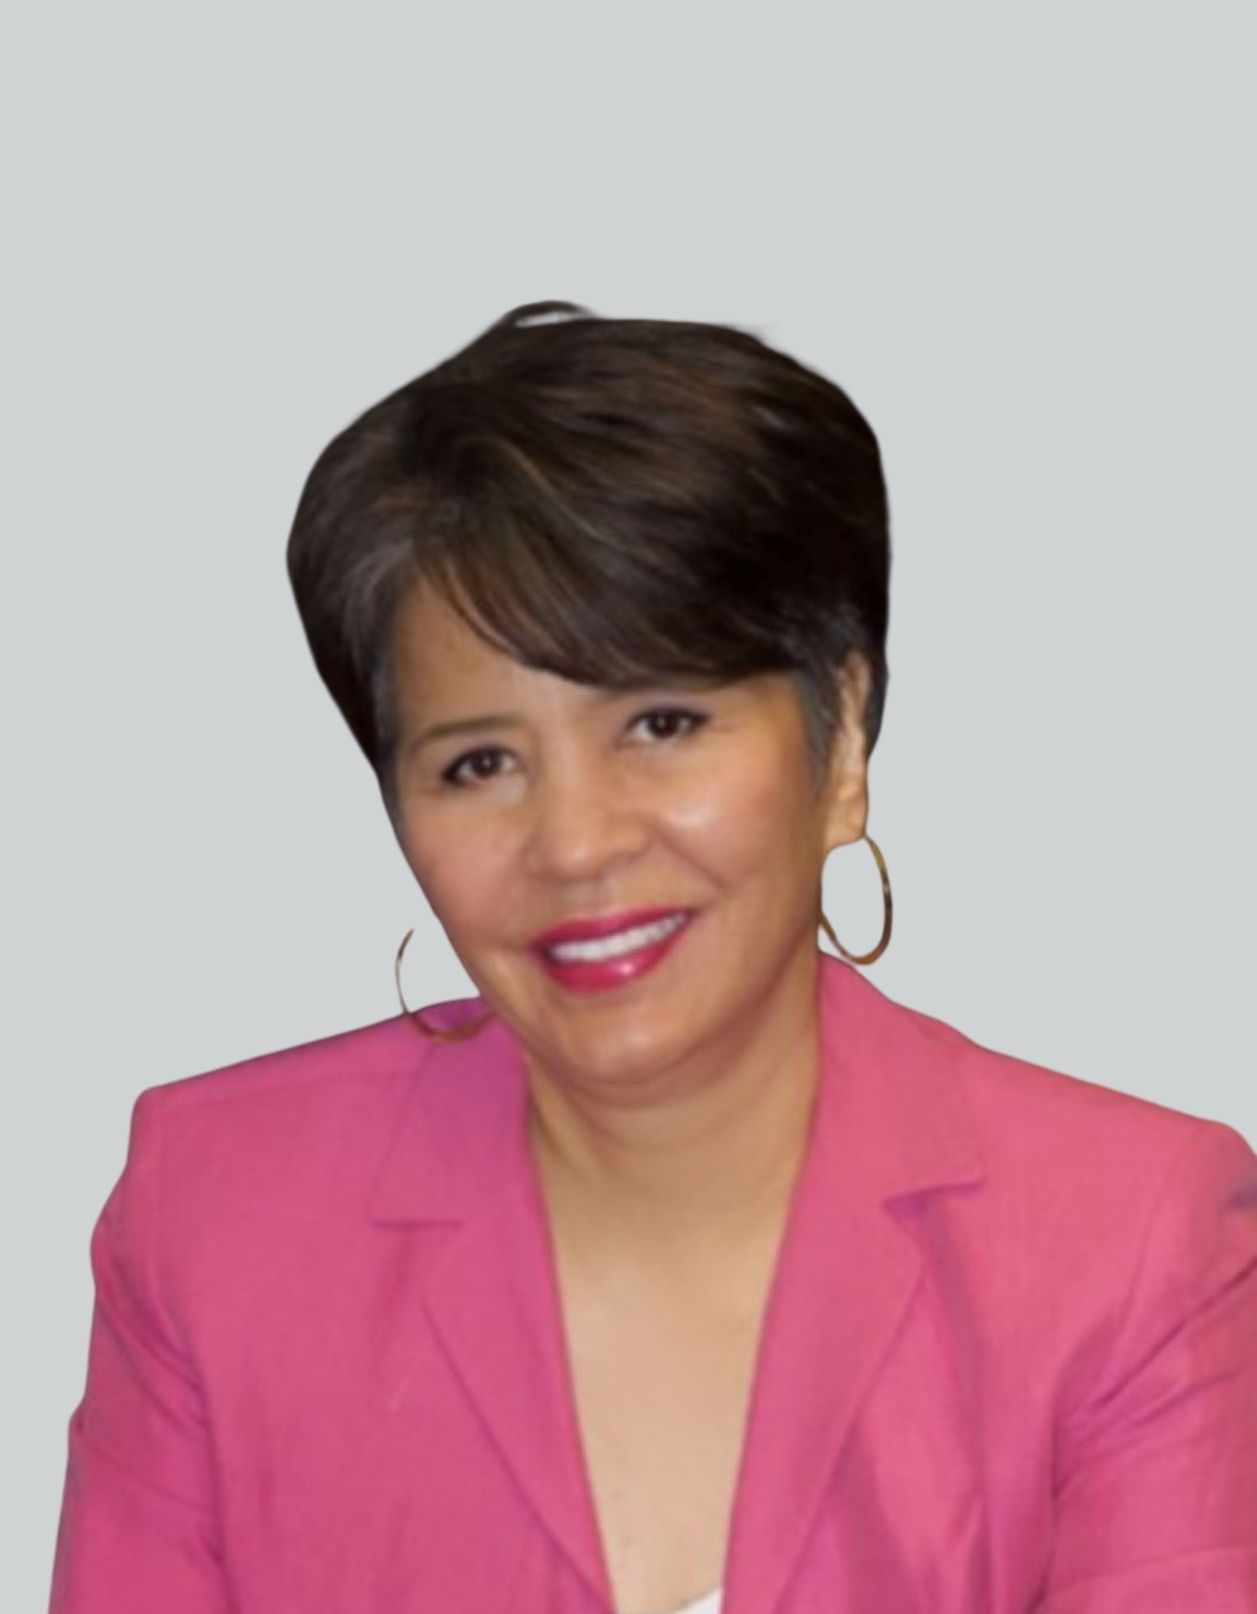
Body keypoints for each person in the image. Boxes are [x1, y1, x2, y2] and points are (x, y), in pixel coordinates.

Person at [48, 301, 1257, 1614]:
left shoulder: (1129, 1246)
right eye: (479, 763)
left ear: (841, 737)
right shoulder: (216, 1219)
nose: (575, 843)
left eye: (662, 723)